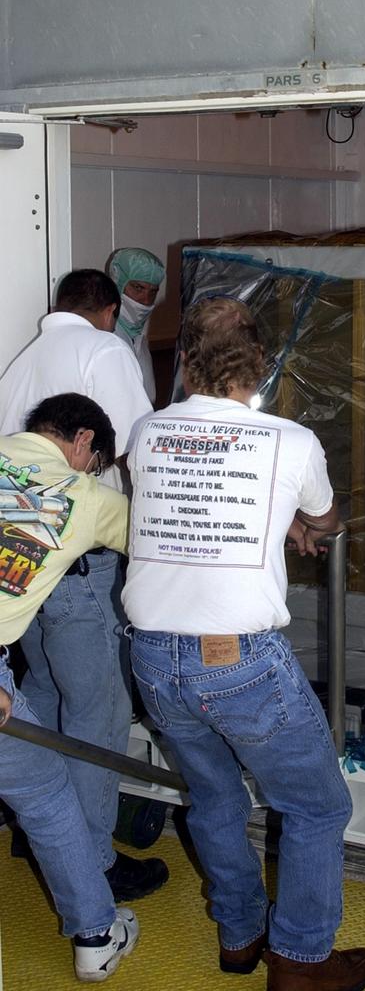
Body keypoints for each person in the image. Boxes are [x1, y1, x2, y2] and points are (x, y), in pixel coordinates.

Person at [122, 297, 365, 991]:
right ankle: (299, 961)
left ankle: (239, 936)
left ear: (188, 363)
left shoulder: (147, 432)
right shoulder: (289, 442)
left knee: (215, 802)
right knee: (316, 807)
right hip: (236, 662)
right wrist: (300, 529)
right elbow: (322, 518)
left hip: (151, 655)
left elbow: (189, 509)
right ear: (259, 361)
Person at [0, 268, 167, 902]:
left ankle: (42, 828)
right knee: (99, 710)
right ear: (104, 310)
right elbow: (144, 449)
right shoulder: (105, 350)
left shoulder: (19, 363)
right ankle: (94, 859)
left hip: (26, 583)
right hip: (79, 567)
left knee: (42, 693)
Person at [0, 393, 140, 982]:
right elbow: (162, 547)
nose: (91, 469)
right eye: (95, 459)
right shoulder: (82, 496)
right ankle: (94, 933)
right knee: (47, 791)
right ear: (83, 442)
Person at [107, 247, 166, 402]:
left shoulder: (140, 337)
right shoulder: (104, 335)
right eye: (138, 288)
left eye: (152, 292)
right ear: (117, 282)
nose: (145, 300)